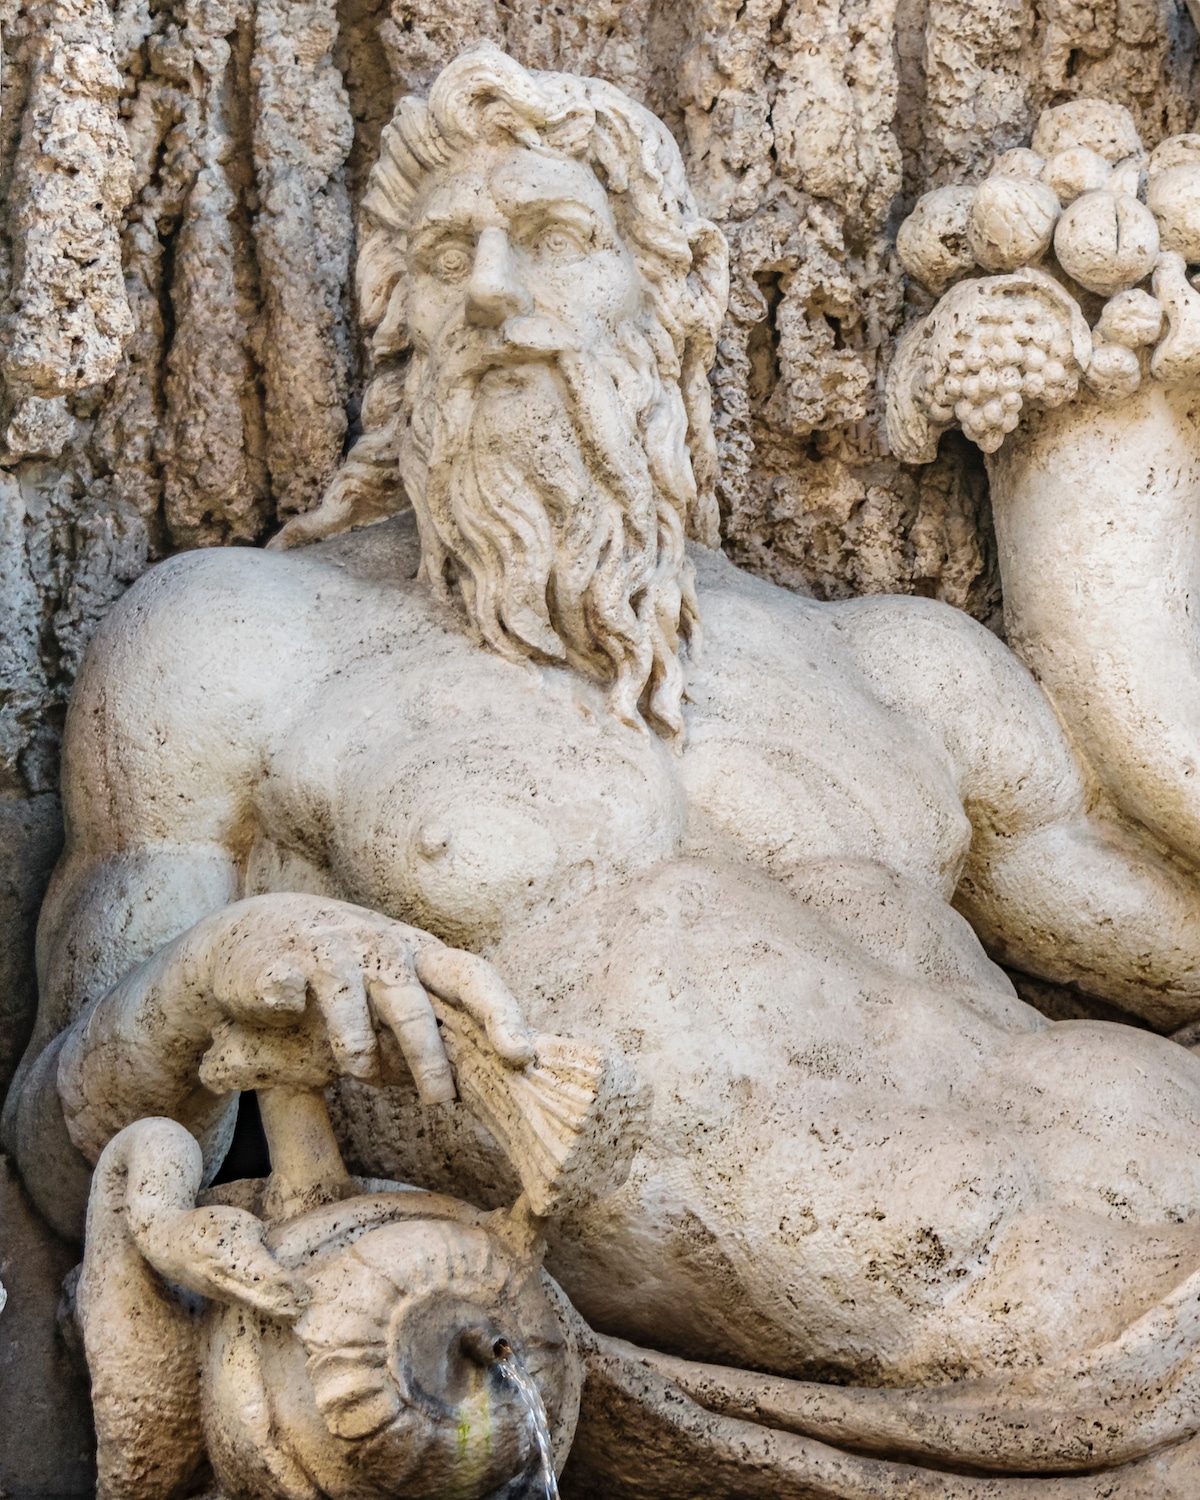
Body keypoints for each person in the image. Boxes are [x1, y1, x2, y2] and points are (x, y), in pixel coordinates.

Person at [9, 44, 1200, 1483]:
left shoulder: (897, 659)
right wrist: (216, 972)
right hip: (820, 1394)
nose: (497, 295)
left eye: (557, 237)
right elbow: (75, 1150)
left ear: (679, 294)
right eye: (447, 256)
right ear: (395, 325)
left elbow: (1166, 948)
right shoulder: (242, 645)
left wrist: (1101, 452)